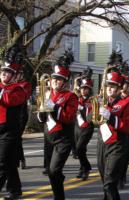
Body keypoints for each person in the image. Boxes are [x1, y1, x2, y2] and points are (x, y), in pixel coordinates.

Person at [37, 51, 78, 199]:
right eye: (54, 78)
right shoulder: (47, 94)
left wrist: (53, 107)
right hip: (48, 137)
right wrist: (41, 111)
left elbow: (68, 118)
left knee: (54, 171)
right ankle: (58, 185)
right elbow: (42, 119)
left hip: (63, 139)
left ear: (65, 81)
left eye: (59, 79)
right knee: (51, 171)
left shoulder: (71, 96)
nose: (55, 81)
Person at [97, 67, 129, 200]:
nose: (109, 88)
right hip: (102, 143)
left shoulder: (126, 103)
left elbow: (128, 127)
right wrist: (95, 108)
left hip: (117, 144)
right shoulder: (102, 101)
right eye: (108, 85)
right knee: (104, 181)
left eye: (113, 86)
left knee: (109, 182)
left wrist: (111, 117)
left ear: (119, 89)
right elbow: (92, 119)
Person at [0, 45, 32, 199]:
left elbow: (10, 100)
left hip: (10, 130)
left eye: (8, 73)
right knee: (10, 162)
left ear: (14, 75)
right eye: (3, 72)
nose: (4, 75)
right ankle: (15, 190)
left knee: (2, 161)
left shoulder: (18, 88)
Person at [74, 67, 94, 181]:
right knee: (81, 150)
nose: (83, 90)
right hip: (77, 127)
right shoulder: (77, 99)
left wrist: (84, 113)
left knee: (79, 148)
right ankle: (82, 169)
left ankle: (86, 167)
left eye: (86, 88)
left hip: (87, 127)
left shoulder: (92, 100)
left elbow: (90, 116)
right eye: (82, 88)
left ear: (89, 89)